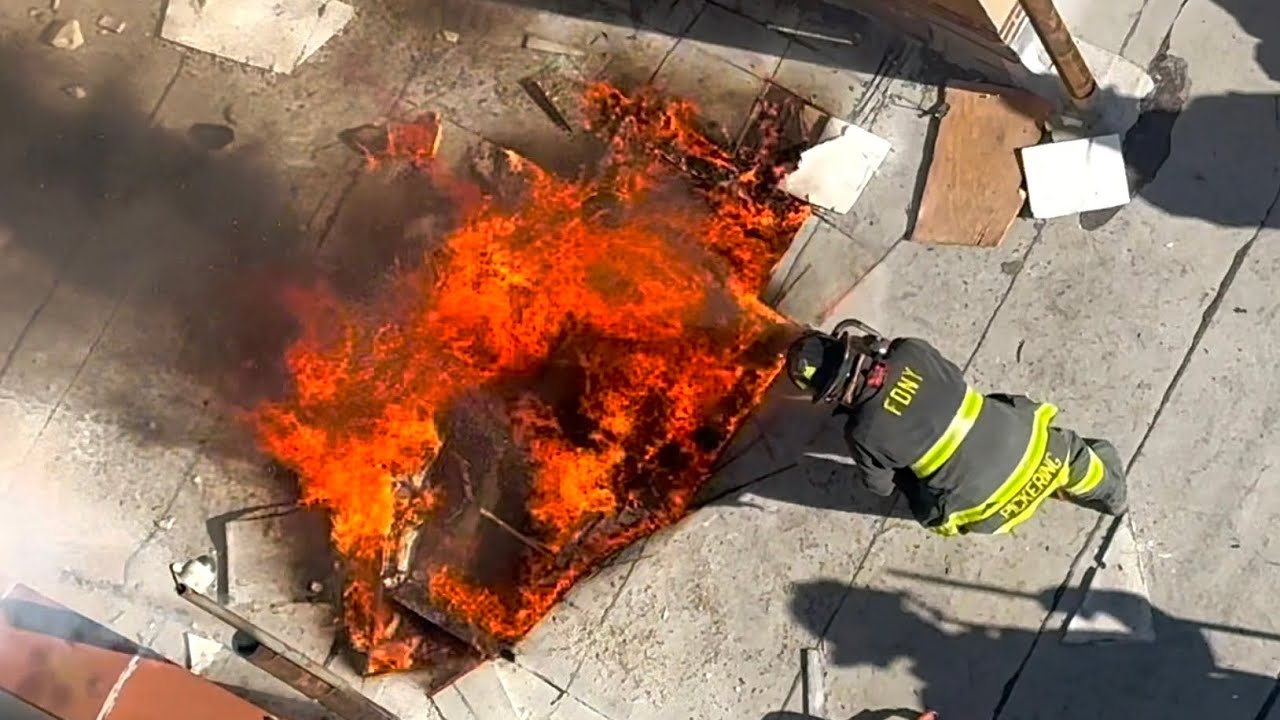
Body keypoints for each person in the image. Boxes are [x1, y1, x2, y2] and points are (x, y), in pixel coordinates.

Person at [784, 319, 1127, 536]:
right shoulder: (911, 351)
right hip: (1047, 456)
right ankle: (1115, 500)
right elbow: (952, 376)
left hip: (993, 512)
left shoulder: (862, 434)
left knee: (910, 486)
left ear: (831, 394)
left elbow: (881, 488)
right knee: (1080, 457)